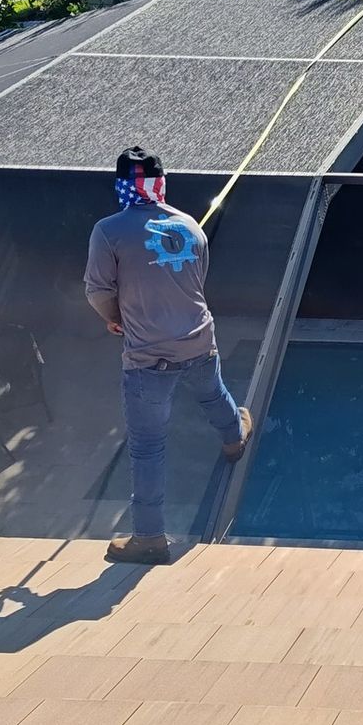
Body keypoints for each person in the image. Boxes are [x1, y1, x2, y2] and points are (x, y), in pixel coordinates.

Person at [84, 146, 251, 565]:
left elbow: (98, 290)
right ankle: (234, 439)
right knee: (213, 394)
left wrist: (116, 317)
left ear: (121, 186)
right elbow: (197, 278)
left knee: (146, 447)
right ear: (161, 182)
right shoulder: (191, 226)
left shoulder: (108, 231)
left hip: (147, 359)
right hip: (198, 341)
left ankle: (150, 539)